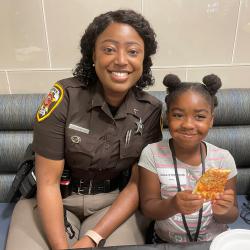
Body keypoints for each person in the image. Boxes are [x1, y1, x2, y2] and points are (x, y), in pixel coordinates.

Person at [6, 9, 162, 250]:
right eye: (109, 49)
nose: (121, 60)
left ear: (144, 60)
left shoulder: (151, 110)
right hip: (55, 198)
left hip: (113, 203)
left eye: (133, 52)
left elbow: (135, 185)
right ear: (93, 55)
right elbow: (47, 182)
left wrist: (92, 238)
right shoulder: (64, 97)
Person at [138, 74, 239, 243]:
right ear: (167, 116)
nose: (188, 124)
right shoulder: (152, 154)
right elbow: (148, 208)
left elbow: (232, 214)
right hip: (166, 241)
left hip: (213, 241)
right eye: (178, 115)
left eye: (199, 116)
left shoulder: (222, 159)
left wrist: (224, 211)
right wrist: (173, 205)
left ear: (211, 120)